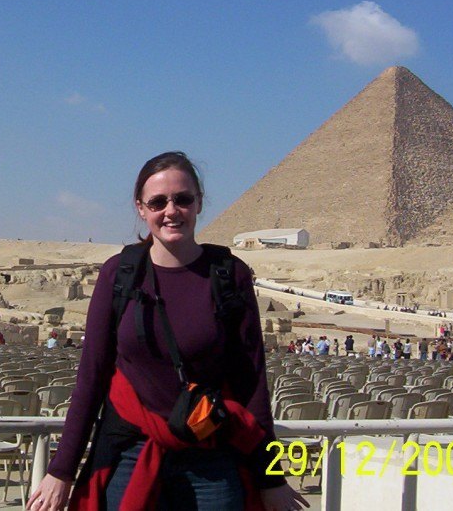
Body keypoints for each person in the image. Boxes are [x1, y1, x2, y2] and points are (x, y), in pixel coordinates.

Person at [27, 151, 306, 511]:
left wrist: (271, 478)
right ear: (141, 208)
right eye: (158, 202)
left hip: (211, 455)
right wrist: (61, 471)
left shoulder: (229, 275)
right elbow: (91, 378)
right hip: (131, 451)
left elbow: (251, 383)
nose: (171, 211)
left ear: (199, 203)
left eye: (182, 199)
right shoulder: (119, 274)